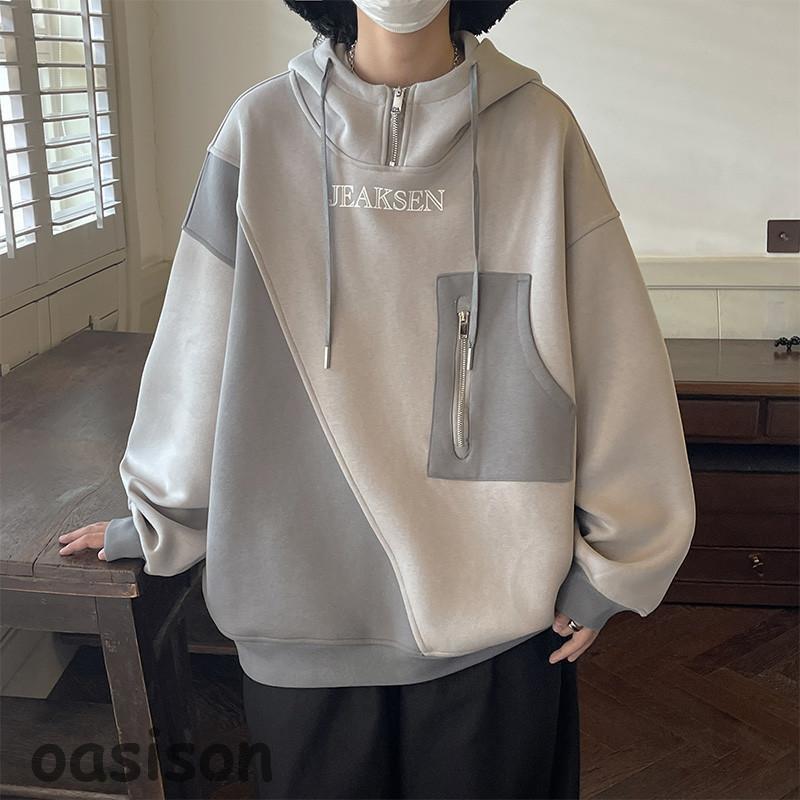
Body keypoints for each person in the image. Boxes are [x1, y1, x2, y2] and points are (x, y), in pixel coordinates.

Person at [58, 0, 697, 796]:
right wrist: (157, 520)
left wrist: (616, 560)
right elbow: (195, 350)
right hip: (299, 616)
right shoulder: (259, 130)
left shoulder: (541, 132)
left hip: (496, 617)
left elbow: (614, 354)